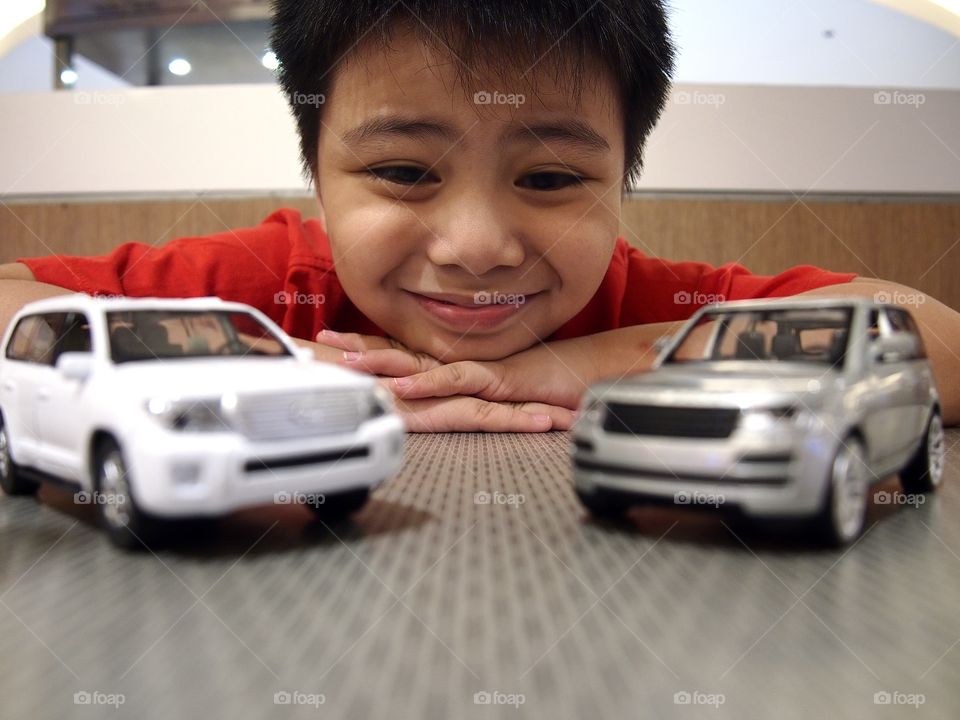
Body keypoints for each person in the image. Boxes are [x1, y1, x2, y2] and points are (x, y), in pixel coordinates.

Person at [1, 0, 957, 431]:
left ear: (624, 176)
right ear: (316, 173)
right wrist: (249, 367)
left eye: (547, 180)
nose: (476, 248)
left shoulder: (654, 306)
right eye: (404, 170)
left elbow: (936, 343)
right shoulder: (269, 293)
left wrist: (587, 364)